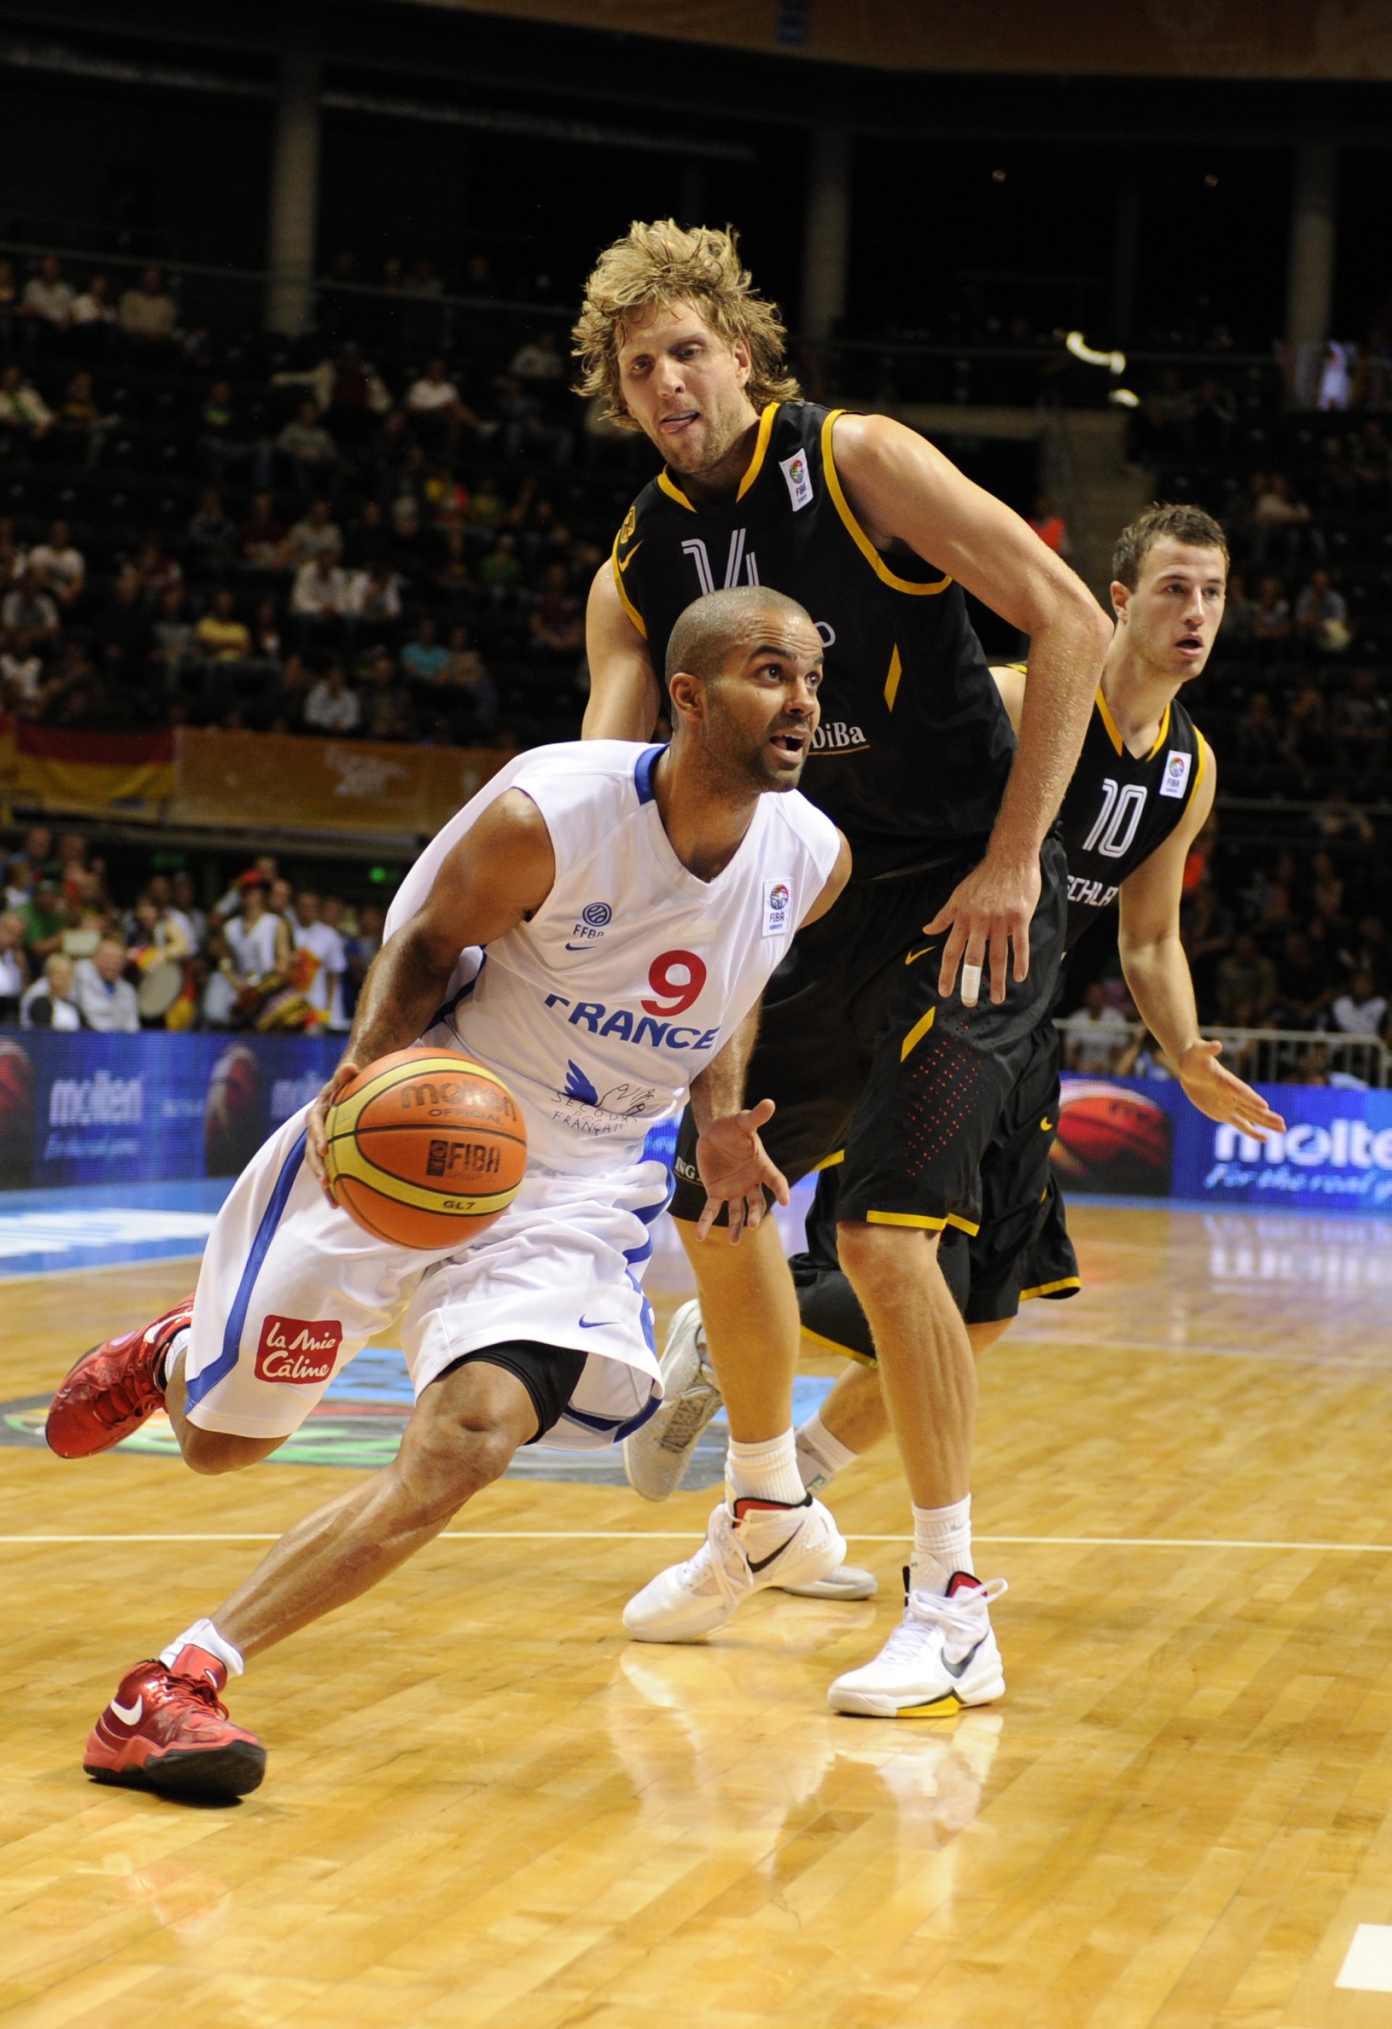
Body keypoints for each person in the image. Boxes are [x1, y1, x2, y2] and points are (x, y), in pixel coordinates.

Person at [42, 588, 849, 1798]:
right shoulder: (552, 814)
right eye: (769, 674)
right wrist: (364, 1082)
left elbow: (730, 990)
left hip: (577, 1184)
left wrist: (719, 1114)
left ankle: (174, 1681)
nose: (801, 702)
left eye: (808, 680)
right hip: (423, 1123)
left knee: (471, 1437)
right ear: (686, 697)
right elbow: (426, 946)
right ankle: (173, 1358)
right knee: (218, 1446)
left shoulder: (812, 857)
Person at [575, 219, 1112, 1715]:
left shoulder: (859, 458)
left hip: (972, 896)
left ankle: (950, 1604)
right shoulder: (639, 564)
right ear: (620, 401)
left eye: (688, 350)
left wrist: (1017, 858)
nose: (668, 379)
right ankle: (765, 1506)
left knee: (888, 1244)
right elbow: (614, 784)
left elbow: (1070, 617)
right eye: (639, 367)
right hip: (809, 901)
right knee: (717, 1187)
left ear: (743, 357)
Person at [625, 511, 1281, 1577]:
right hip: (887, 984)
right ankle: (764, 1393)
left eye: (1210, 593)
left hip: (1003, 1022)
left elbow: (1148, 934)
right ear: (1115, 600)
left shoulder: (1187, 769)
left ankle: (786, 1479)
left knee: (977, 1310)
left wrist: (1189, 1048)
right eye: (1171, 589)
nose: (1194, 613)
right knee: (788, 1213)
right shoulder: (1018, 697)